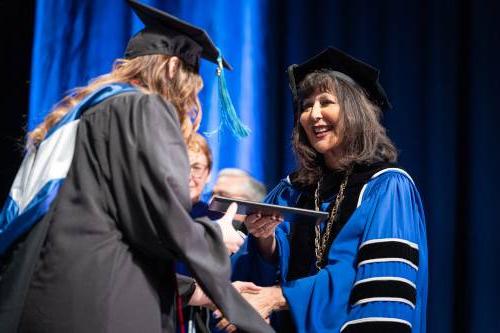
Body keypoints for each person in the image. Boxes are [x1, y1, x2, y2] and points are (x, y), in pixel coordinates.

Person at [0, 1, 273, 333]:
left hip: (49, 299)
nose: (190, 104)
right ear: (173, 68)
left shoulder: (75, 120)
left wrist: (200, 292)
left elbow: (104, 230)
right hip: (100, 310)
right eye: (193, 87)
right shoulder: (142, 107)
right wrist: (216, 236)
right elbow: (161, 222)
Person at [229, 47, 428, 333]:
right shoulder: (292, 190)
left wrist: (283, 295)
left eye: (326, 102)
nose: (314, 115)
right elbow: (258, 271)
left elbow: (371, 278)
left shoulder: (385, 186)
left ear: (354, 111)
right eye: (307, 105)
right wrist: (265, 240)